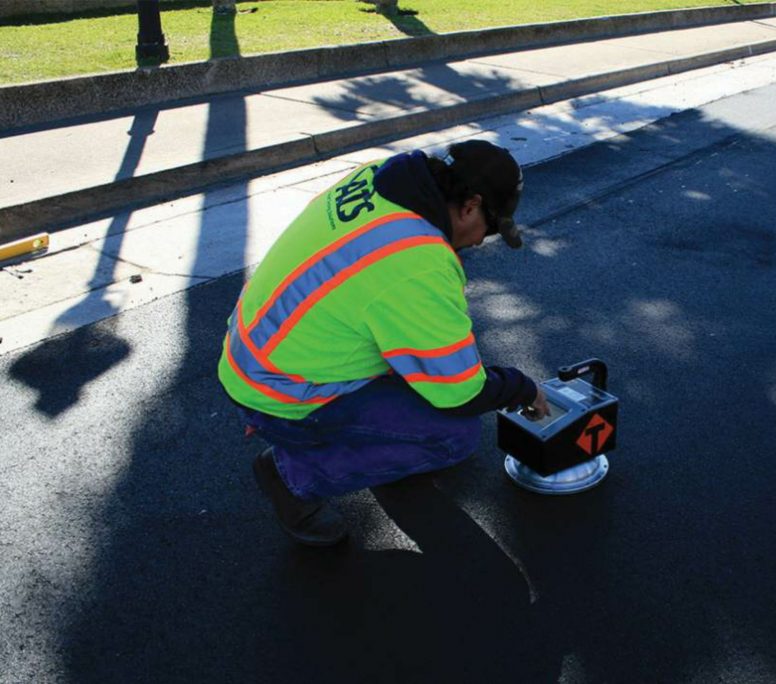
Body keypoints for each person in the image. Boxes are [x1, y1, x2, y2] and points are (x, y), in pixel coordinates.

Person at [218, 140, 551, 546]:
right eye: (491, 227)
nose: (483, 241)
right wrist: (522, 386)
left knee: (423, 371)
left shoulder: (380, 177)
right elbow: (460, 392)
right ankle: (291, 476)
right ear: (469, 206)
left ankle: (343, 436)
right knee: (454, 436)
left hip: (255, 350)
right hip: (281, 391)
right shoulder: (416, 263)